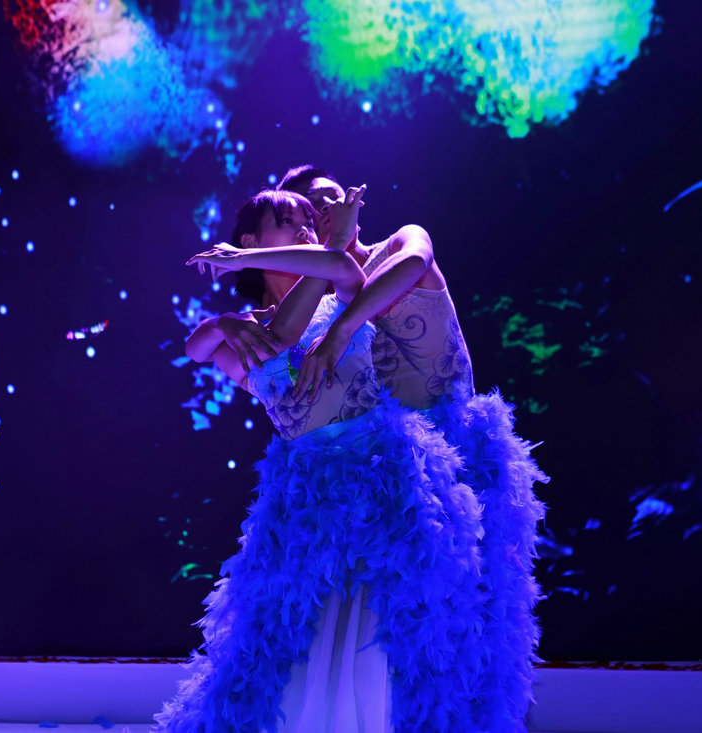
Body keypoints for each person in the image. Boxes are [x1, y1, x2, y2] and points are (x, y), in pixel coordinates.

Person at [154, 189, 489, 733]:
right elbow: (200, 348)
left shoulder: (342, 298)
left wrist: (253, 259)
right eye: (289, 221)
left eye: (310, 222)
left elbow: (337, 265)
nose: (305, 230)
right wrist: (223, 322)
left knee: (383, 645)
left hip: (384, 486)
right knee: (299, 650)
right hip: (310, 507)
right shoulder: (246, 335)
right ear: (252, 237)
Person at [278, 166, 549, 733]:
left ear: (354, 201)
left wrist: (340, 331)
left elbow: (414, 263)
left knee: (472, 636)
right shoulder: (320, 304)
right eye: (309, 211)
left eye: (331, 199)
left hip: (460, 463)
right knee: (397, 645)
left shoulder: (401, 242)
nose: (324, 212)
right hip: (398, 481)